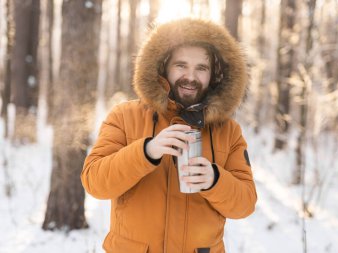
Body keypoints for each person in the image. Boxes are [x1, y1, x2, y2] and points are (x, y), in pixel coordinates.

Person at [81, 18, 257, 253]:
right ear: (163, 67)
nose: (190, 77)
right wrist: (147, 151)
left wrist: (215, 180)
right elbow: (95, 182)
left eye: (201, 68)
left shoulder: (229, 131)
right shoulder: (125, 116)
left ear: (215, 75)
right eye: (181, 65)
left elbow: (245, 204)